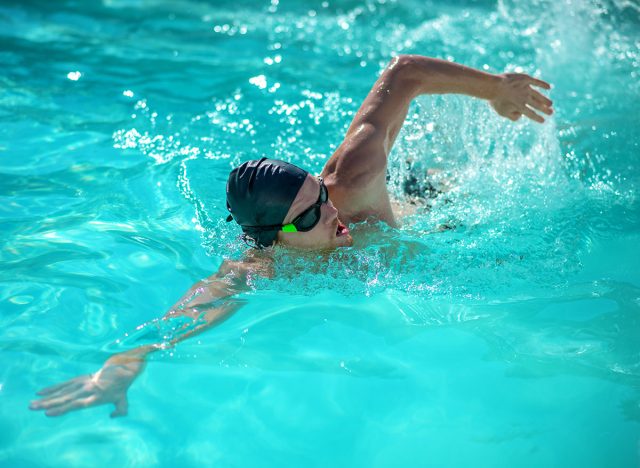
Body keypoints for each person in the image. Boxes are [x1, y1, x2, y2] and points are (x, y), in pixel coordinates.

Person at [30, 54, 553, 417]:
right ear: (270, 239)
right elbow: (196, 307)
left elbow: (406, 71)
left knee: (440, 187)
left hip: (432, 203)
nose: (330, 214)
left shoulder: (354, 177)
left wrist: (495, 91)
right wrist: (123, 366)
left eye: (319, 196)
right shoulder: (263, 266)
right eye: (308, 217)